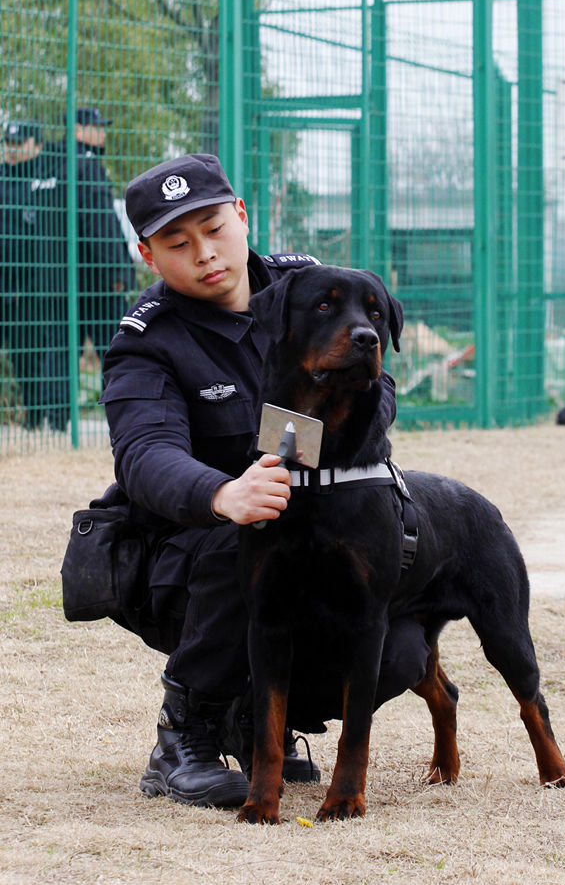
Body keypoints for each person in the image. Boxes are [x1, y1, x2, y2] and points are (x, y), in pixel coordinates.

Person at [95, 153, 429, 809]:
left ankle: (260, 721)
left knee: (402, 646)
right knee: (250, 535)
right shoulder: (147, 340)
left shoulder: (312, 288)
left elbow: (377, 383)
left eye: (215, 228)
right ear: (147, 254)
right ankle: (182, 739)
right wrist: (224, 494)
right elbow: (144, 453)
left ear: (242, 216)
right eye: (177, 242)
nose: (206, 254)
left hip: (305, 520)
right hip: (184, 553)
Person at [0, 119, 69, 431]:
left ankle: (46, 417)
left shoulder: (47, 180)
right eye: (8, 144)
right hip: (6, 283)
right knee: (20, 354)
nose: (11, 150)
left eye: (19, 144)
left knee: (37, 352)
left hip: (34, 284)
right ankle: (31, 414)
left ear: (37, 146)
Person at [55, 106, 136, 362]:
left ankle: (61, 404)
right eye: (96, 127)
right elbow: (101, 225)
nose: (102, 133)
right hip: (97, 280)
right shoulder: (87, 165)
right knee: (121, 354)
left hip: (60, 280)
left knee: (63, 355)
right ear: (77, 130)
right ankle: (123, 402)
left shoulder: (52, 164)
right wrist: (116, 271)